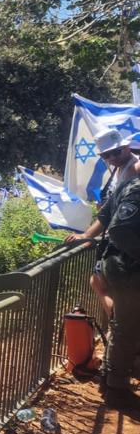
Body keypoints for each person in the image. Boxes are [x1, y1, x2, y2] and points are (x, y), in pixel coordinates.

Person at [67, 129, 140, 407]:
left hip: (122, 261)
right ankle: (116, 387)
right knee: (125, 327)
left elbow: (109, 215)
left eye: (114, 153)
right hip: (127, 264)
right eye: (106, 156)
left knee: (123, 323)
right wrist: (87, 236)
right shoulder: (133, 180)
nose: (110, 159)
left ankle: (114, 376)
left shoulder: (130, 174)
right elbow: (117, 225)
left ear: (126, 148)